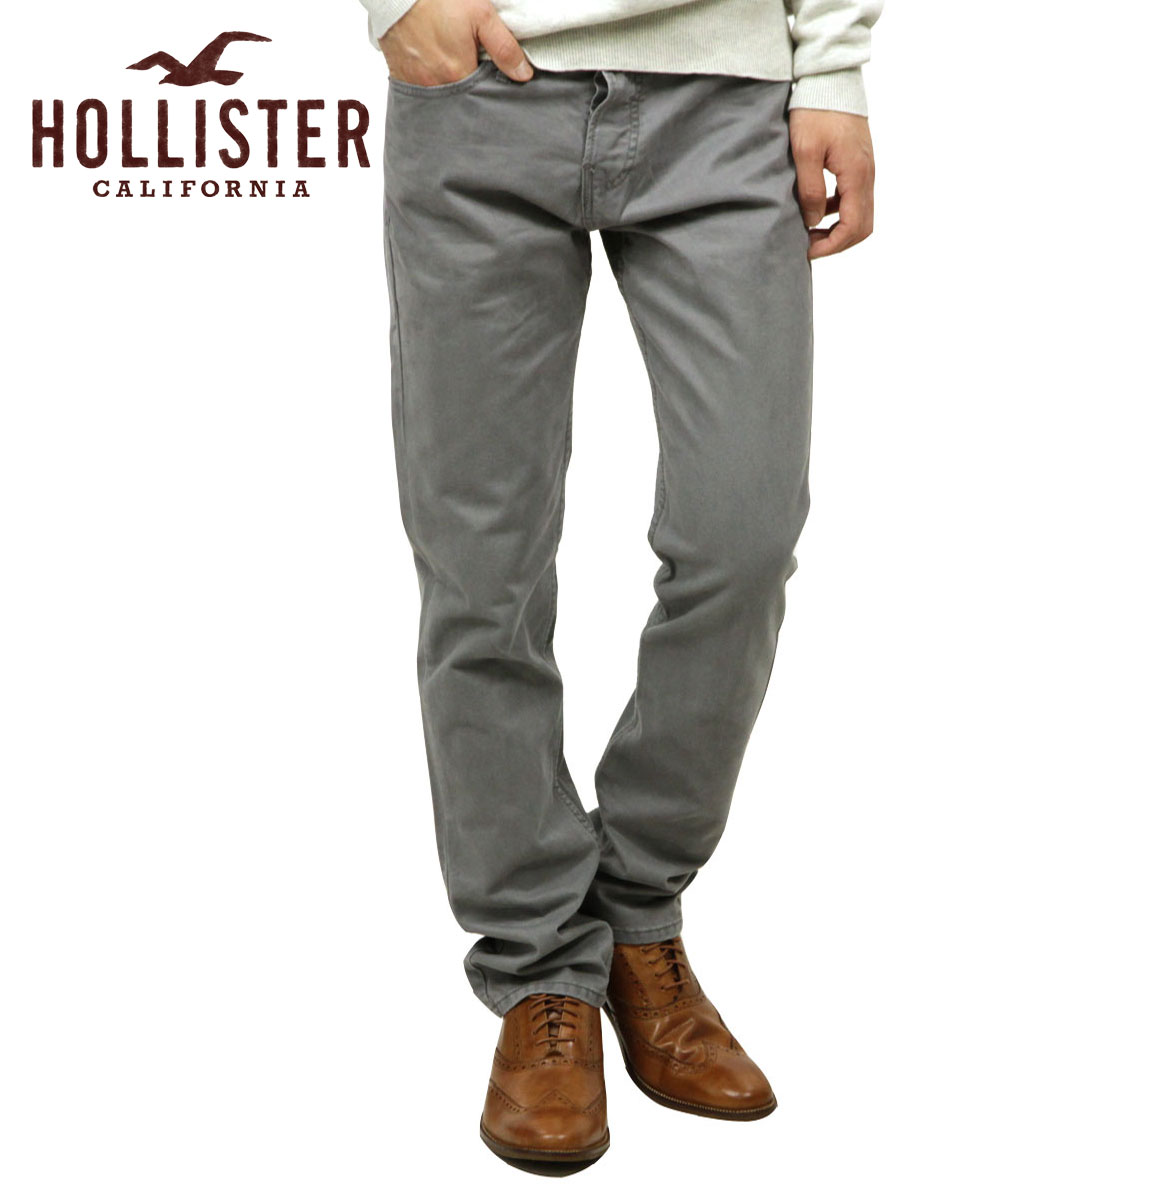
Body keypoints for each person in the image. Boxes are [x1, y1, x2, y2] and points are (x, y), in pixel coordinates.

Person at [357, 0, 881, 1171]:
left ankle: (637, 909)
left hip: (730, 101)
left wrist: (833, 69)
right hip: (480, 95)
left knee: (742, 536)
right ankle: (541, 962)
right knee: (480, 566)